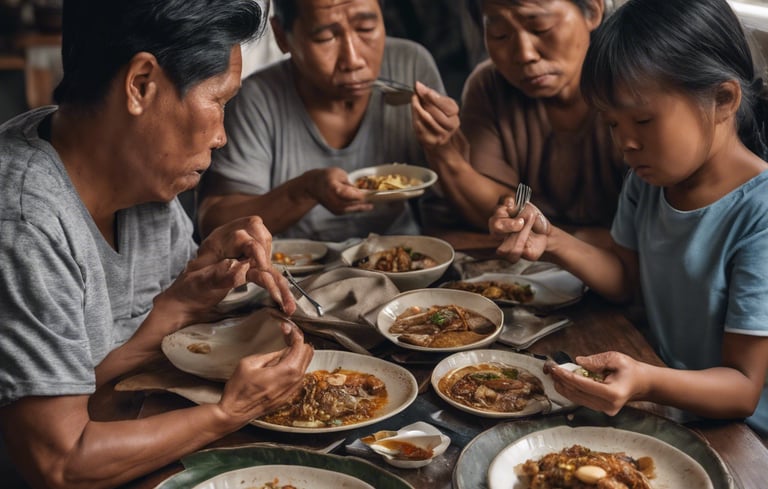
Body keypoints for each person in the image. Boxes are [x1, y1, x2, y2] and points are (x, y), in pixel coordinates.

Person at [0, 1, 315, 488]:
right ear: (141, 84)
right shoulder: (23, 222)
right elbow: (60, 462)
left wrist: (181, 302)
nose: (221, 136)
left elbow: (85, 373)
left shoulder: (135, 165)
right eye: (218, 100)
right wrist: (231, 411)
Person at [489, 0, 768, 438]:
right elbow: (625, 279)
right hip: (669, 403)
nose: (626, 143)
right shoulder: (650, 179)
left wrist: (645, 380)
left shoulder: (760, 214)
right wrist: (553, 240)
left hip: (741, 435)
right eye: (613, 124)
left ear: (723, 99)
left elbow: (743, 388)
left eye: (642, 119)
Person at [196, 0, 447, 242]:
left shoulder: (411, 65)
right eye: (325, 38)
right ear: (282, 36)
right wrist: (306, 190)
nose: (353, 60)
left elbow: (456, 205)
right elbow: (214, 225)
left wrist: (447, 148)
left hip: (405, 261)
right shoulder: (257, 99)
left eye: (366, 29)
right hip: (297, 275)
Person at [413, 0, 626, 246]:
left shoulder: (632, 84)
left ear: (592, 11)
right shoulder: (489, 86)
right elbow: (494, 212)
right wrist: (443, 151)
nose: (524, 54)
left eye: (541, 28)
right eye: (500, 35)